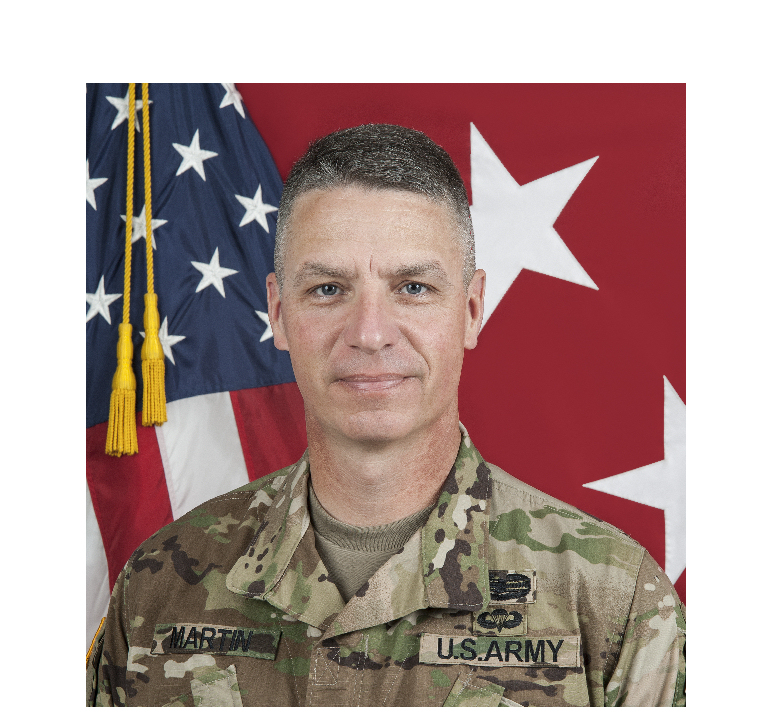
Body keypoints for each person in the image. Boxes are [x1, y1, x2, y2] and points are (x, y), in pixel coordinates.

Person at [86, 124, 685, 707]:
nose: (370, 333)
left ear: (471, 310)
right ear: (278, 313)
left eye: (413, 288)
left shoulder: (609, 600)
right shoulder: (160, 588)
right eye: (327, 289)